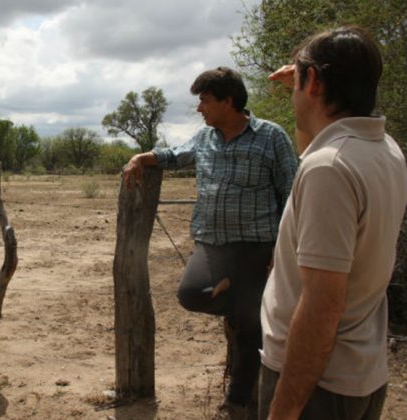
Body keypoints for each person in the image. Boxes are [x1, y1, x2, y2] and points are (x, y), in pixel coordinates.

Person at [124, 67, 298, 419]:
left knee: (250, 330)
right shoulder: (205, 139)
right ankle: (246, 301)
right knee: (191, 295)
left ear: (228, 100)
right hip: (212, 244)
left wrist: (282, 251)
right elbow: (174, 155)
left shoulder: (271, 136)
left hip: (255, 246)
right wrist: (141, 157)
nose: (199, 109)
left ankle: (237, 403)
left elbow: (292, 192)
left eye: (204, 101)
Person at [259, 25, 407, 420]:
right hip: (358, 375)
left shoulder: (331, 169)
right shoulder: (384, 149)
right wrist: (306, 88)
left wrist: (285, 409)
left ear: (315, 82)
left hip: (316, 386)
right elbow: (313, 147)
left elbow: (323, 305)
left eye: (302, 79)